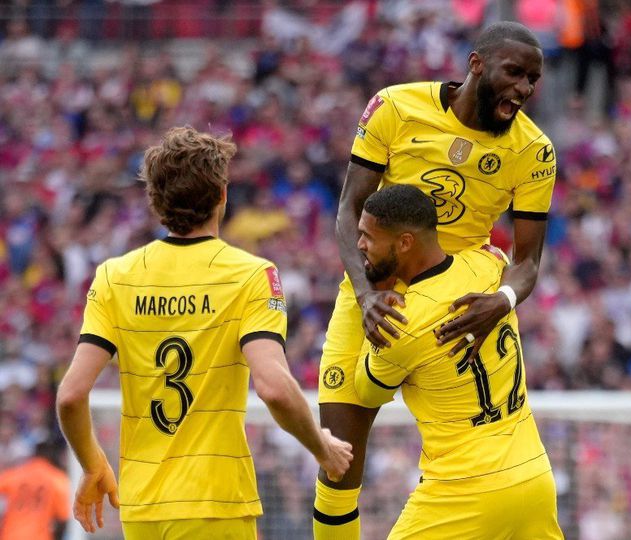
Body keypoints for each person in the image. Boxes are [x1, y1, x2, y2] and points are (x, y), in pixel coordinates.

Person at [315, 21, 557, 538]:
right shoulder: (395, 107)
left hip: (457, 304)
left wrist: (505, 299)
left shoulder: (534, 151)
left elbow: (528, 259)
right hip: (373, 292)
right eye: (514, 73)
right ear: (476, 64)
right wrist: (365, 294)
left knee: (473, 447)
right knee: (338, 461)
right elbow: (349, 209)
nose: (524, 89)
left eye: (532, 80)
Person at [56, 126, 352, 539]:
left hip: (143, 510)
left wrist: (92, 463)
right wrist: (322, 448)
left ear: (155, 201)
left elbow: (70, 395)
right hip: (217, 504)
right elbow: (275, 389)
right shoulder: (251, 276)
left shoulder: (114, 277)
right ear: (222, 195)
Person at [353, 185, 564, 539]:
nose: (359, 246)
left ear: (404, 243)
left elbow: (367, 391)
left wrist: (376, 296)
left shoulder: (400, 324)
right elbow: (516, 265)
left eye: (368, 237)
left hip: (463, 491)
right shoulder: (488, 263)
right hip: (534, 478)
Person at [0, 440, 70, 540]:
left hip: (10, 535)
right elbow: (64, 517)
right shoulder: (58, 479)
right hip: (40, 536)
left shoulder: (16, 473)